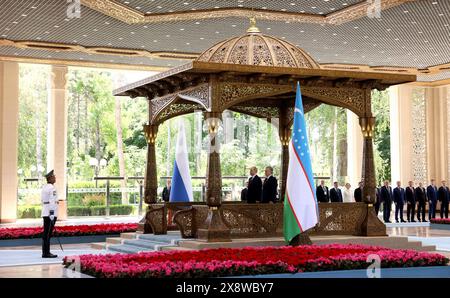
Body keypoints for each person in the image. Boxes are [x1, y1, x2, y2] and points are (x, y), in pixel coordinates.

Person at [41, 170, 59, 258]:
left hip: (45, 211)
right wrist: (52, 213)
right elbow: (52, 201)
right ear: (50, 178)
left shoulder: (44, 187)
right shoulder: (52, 188)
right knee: (48, 234)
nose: (55, 178)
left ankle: (45, 251)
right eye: (54, 176)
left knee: (46, 233)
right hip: (50, 213)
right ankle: (46, 253)